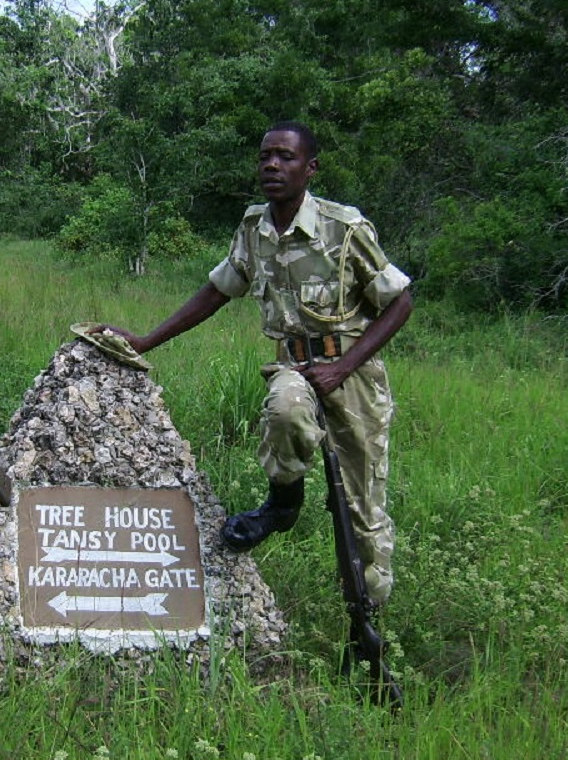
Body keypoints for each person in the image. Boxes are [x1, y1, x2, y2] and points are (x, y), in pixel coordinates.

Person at [96, 121, 412, 609]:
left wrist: (343, 367)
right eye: (265, 156)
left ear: (310, 169)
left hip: (353, 376)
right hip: (296, 368)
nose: (271, 165)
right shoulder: (254, 229)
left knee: (362, 508)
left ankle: (366, 620)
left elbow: (399, 304)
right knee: (285, 407)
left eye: (285, 157)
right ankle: (283, 506)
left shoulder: (344, 228)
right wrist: (146, 340)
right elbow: (219, 290)